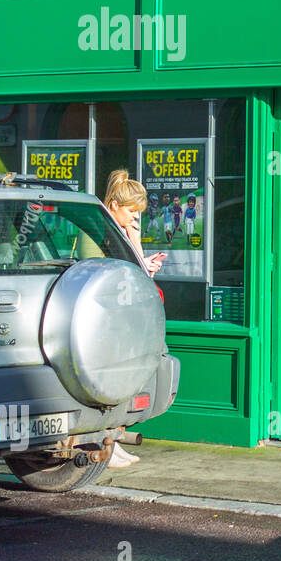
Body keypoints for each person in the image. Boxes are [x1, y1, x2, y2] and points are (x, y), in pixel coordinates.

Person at [102, 169, 165, 469]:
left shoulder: (121, 233)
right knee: (112, 384)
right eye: (131, 211)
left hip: (125, 320)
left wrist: (140, 251)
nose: (135, 218)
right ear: (114, 204)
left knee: (124, 382)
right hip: (110, 321)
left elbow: (135, 273)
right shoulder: (102, 233)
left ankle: (113, 442)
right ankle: (106, 445)